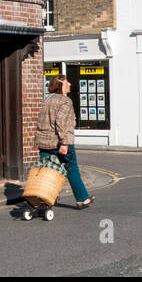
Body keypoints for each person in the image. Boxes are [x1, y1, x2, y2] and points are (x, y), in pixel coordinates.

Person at [35, 74, 94, 208]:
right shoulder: (65, 101)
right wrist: (64, 143)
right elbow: (60, 123)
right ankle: (82, 199)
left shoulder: (47, 99)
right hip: (60, 143)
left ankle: (43, 199)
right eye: (67, 82)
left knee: (47, 171)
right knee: (72, 169)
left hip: (44, 143)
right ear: (61, 85)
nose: (70, 85)